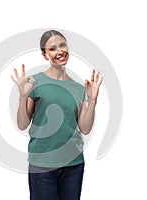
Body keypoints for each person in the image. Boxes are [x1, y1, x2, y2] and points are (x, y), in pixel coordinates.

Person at [11, 30, 103, 200]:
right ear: (45, 55)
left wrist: (92, 100)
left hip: (73, 164)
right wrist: (23, 96)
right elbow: (22, 124)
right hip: (42, 165)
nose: (60, 51)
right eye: (52, 49)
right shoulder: (34, 82)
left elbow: (85, 128)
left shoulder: (78, 88)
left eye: (62, 45)